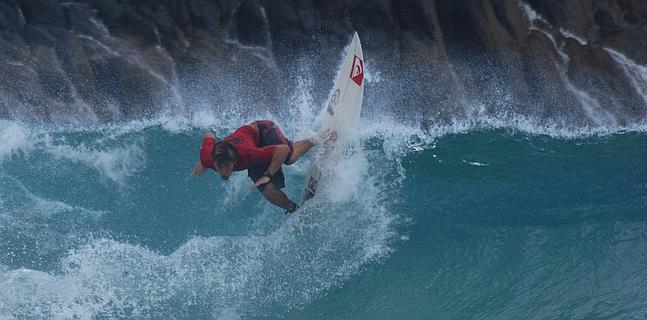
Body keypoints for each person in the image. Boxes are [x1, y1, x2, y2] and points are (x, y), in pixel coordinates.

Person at [191, 120, 315, 213]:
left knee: (289, 158)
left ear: (234, 161)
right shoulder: (208, 157)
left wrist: (268, 175)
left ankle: (317, 139)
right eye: (219, 167)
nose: (223, 172)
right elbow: (209, 135)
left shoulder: (249, 154)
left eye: (227, 166)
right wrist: (204, 163)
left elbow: (283, 149)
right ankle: (296, 210)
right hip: (249, 142)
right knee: (268, 192)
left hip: (263, 131)